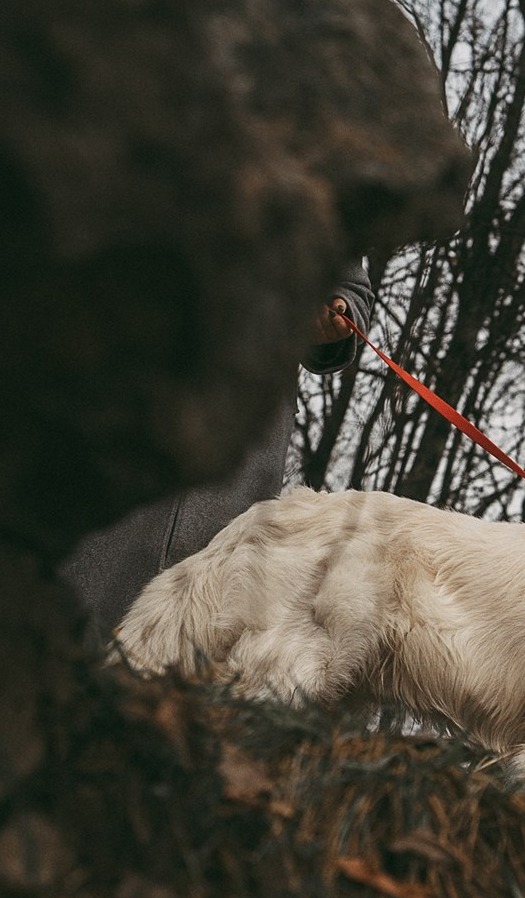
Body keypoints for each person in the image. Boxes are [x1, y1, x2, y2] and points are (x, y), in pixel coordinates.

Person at [59, 264, 376, 633]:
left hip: (244, 432)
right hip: (133, 388)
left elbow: (350, 286)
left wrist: (337, 309)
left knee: (195, 606)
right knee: (85, 574)